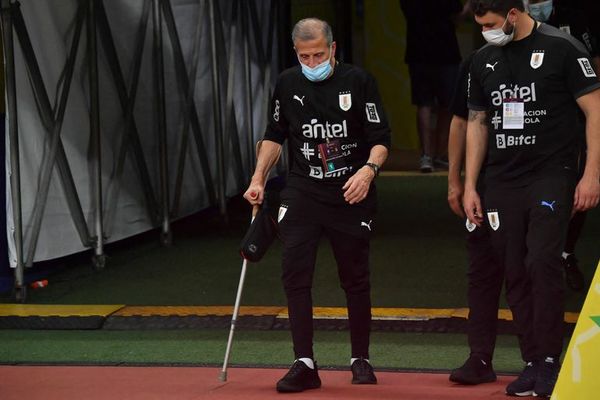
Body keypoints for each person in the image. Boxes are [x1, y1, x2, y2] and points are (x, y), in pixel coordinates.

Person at [243, 18, 391, 393]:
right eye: (305, 56)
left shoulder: (359, 81)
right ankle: (304, 362)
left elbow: (380, 138)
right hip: (303, 190)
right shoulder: (287, 83)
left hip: (349, 191)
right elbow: (274, 135)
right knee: (295, 272)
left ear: (333, 49)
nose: (312, 63)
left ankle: (361, 358)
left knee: (355, 276)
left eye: (319, 55)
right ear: (296, 53)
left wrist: (368, 171)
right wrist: (259, 178)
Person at [464, 0, 600, 397]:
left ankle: (551, 361)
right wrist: (471, 184)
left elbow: (595, 110)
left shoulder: (563, 47)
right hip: (501, 180)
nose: (485, 30)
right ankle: (532, 362)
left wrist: (591, 174)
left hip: (551, 175)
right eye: (480, 25)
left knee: (541, 261)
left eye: (490, 23)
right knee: (515, 269)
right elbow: (477, 121)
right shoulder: (482, 60)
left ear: (511, 13)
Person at [526, 0, 600, 291]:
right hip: (527, 122)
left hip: (572, 119)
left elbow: (595, 67)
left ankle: (565, 253)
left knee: (576, 190)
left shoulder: (577, 16)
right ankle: (535, 258)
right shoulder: (509, 18)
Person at [447, 51, 504, 386]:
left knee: (531, 270)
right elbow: (461, 119)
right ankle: (480, 356)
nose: (488, 31)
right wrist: (455, 181)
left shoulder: (555, 50)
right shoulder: (475, 62)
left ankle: (541, 358)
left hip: (533, 177)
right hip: (482, 181)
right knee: (482, 271)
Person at [399, 0, 465, 172]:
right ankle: (438, 155)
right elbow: (459, 14)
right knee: (445, 105)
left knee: (425, 104)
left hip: (419, 52)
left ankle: (428, 156)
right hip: (445, 52)